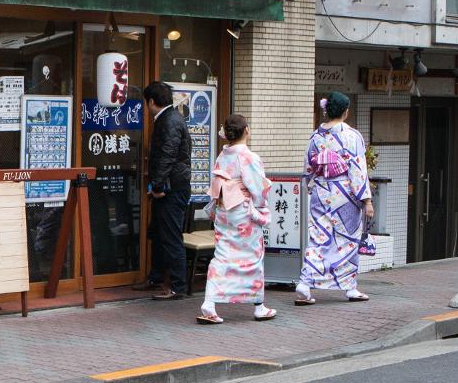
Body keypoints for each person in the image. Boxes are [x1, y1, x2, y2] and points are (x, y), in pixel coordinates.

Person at [198, 113, 277, 324]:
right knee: (252, 256)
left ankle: (209, 302)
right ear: (247, 131)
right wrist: (260, 208)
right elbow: (258, 189)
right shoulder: (249, 157)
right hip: (243, 212)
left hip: (224, 210)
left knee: (223, 255)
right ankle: (259, 306)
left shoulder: (222, 156)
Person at [296, 91, 373, 305]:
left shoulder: (315, 136)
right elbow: (358, 169)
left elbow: (308, 167)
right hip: (345, 193)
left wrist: (310, 186)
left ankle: (305, 283)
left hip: (321, 192)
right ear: (346, 112)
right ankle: (349, 286)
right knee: (347, 239)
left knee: (318, 237)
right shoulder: (352, 136)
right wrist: (366, 200)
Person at [140, 81, 193, 300]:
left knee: (170, 237)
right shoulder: (171, 118)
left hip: (173, 188)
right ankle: (156, 277)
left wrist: (158, 185)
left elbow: (167, 155)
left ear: (151, 102)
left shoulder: (169, 120)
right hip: (172, 185)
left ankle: (178, 286)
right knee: (159, 234)